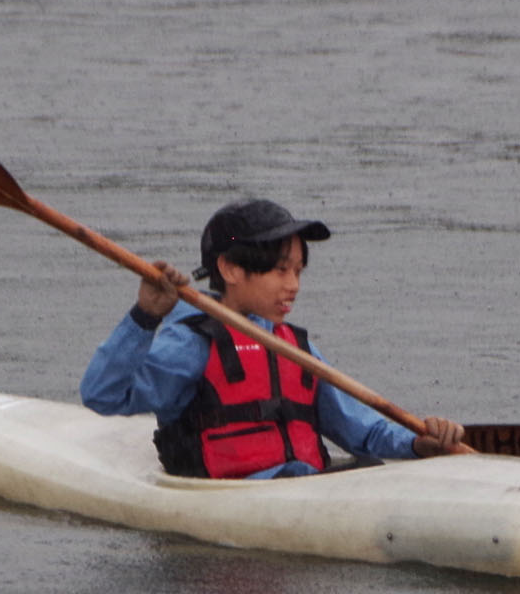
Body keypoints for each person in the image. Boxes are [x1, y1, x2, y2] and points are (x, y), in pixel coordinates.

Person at [82, 197, 466, 478]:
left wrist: (418, 443)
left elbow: (361, 429)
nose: (294, 285)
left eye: (298, 271)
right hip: (233, 499)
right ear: (230, 269)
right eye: (281, 271)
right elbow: (104, 396)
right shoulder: (192, 342)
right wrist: (145, 317)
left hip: (304, 486)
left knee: (368, 464)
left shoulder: (294, 346)